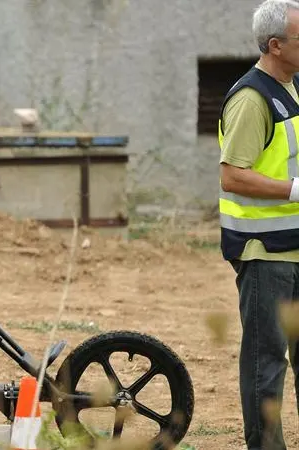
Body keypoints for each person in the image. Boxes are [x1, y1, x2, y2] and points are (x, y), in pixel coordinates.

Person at [219, 1, 299, 448]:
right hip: (266, 254)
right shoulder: (251, 100)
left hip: (296, 247)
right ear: (275, 46)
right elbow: (233, 173)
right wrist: (294, 189)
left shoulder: (294, 85)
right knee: (266, 365)